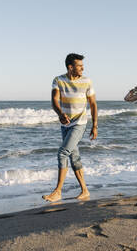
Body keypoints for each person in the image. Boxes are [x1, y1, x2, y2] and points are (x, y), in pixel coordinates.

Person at [42, 53, 98, 202]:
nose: (82, 68)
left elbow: (93, 104)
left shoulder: (87, 81)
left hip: (80, 123)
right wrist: (60, 113)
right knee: (74, 158)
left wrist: (95, 126)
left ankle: (58, 191)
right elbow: (54, 100)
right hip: (65, 124)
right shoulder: (58, 80)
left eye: (82, 65)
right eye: (79, 66)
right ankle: (85, 191)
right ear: (70, 67)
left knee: (62, 153)